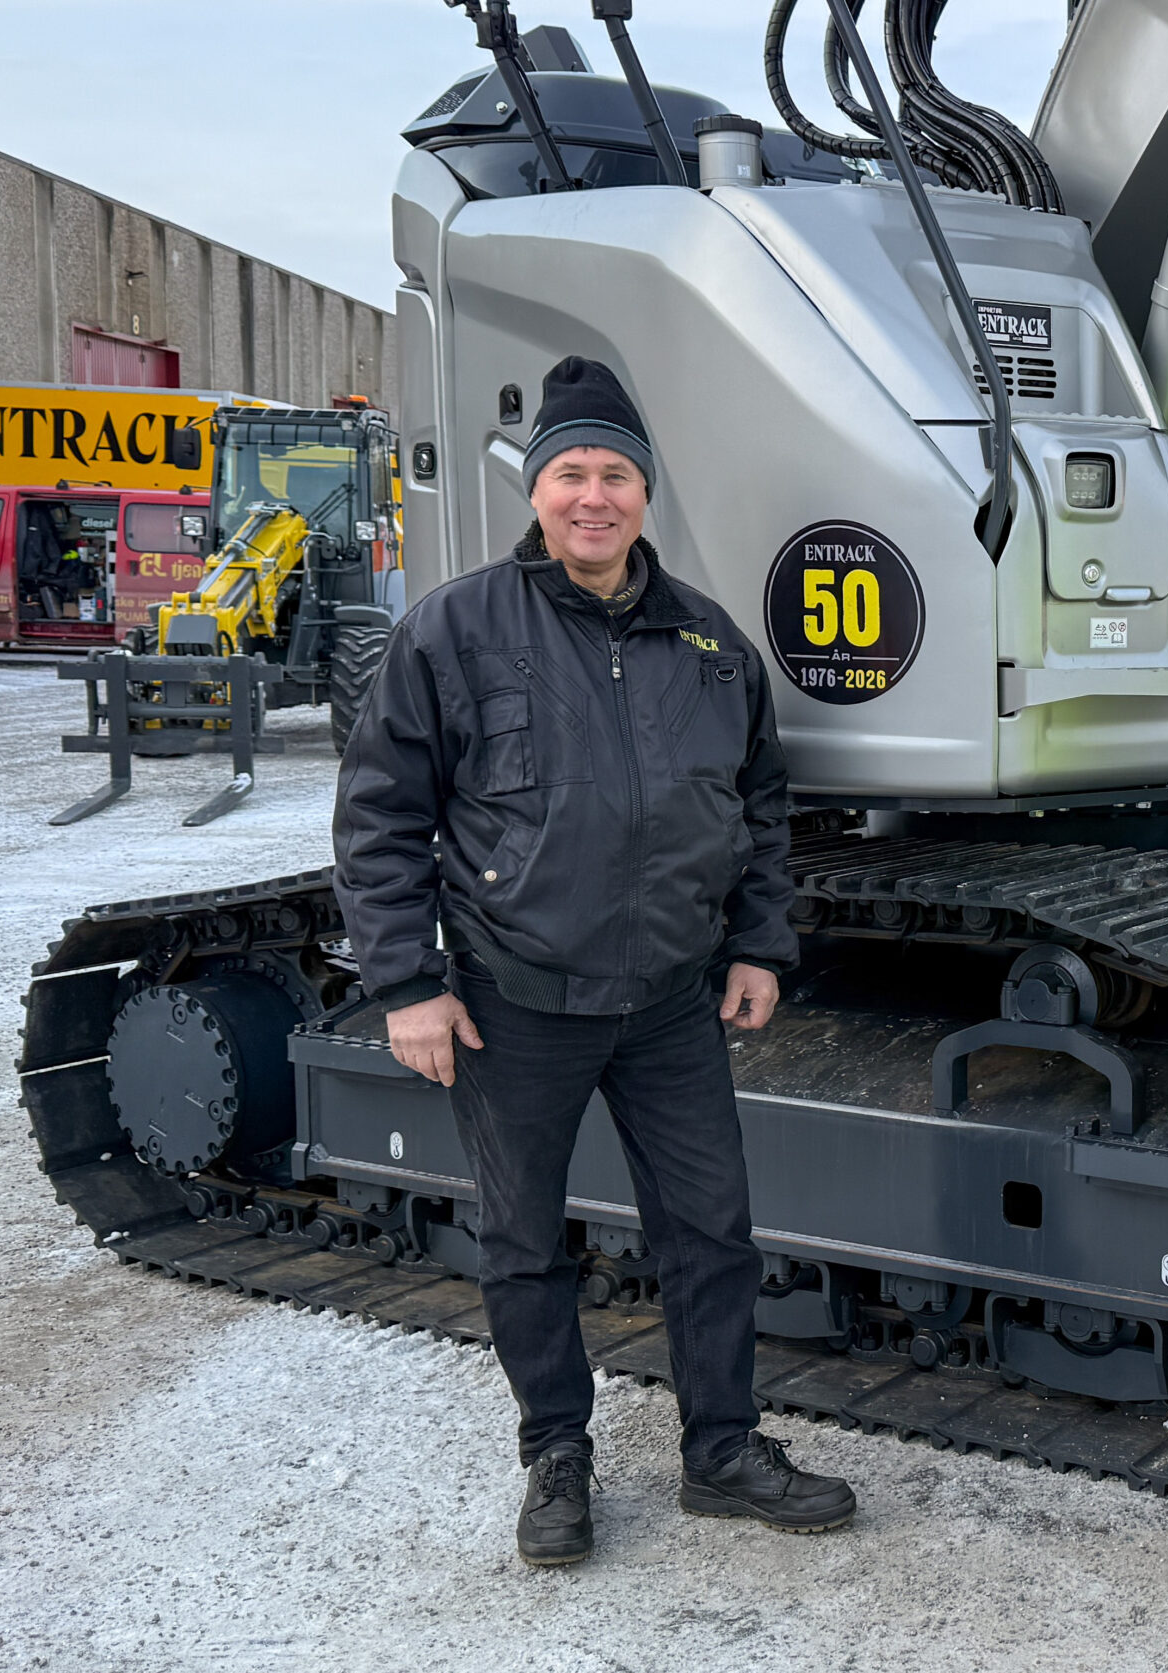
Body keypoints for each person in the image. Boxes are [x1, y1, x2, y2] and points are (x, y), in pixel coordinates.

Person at [333, 356, 854, 1567]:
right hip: (516, 1000)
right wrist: (408, 981)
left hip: (671, 1000)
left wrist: (759, 944)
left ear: (643, 492)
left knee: (713, 1233)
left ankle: (722, 1449)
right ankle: (554, 1453)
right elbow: (379, 816)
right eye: (570, 472)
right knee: (524, 1243)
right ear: (535, 489)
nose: (592, 496)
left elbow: (762, 806)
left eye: (615, 473)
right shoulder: (454, 630)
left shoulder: (710, 643)